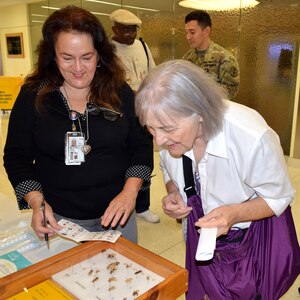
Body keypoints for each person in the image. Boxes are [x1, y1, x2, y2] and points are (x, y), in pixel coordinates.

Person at [135, 59, 300, 299]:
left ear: (200, 113)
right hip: (201, 239)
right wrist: (173, 192)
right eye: (151, 129)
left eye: (168, 129)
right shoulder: (168, 130)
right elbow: (170, 171)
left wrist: (234, 214)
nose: (159, 141)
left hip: (248, 242)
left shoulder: (250, 137)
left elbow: (280, 197)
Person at [3, 5, 153, 244]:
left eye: (87, 57)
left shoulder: (119, 92)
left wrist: (130, 192)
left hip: (119, 216)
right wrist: (36, 202)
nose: (78, 69)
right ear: (52, 55)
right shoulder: (33, 95)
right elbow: (16, 156)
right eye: (67, 58)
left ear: (99, 54)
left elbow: (142, 145)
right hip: (59, 220)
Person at [110, 8, 159, 223]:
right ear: (114, 29)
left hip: (142, 110)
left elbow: (153, 74)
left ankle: (142, 205)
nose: (130, 34)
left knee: (144, 154)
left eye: (133, 30)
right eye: (125, 30)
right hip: (116, 111)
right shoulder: (106, 49)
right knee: (120, 156)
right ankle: (120, 201)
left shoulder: (143, 46)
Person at [183, 10, 240, 100]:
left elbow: (231, 90)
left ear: (206, 31)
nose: (188, 37)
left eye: (192, 32)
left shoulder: (224, 58)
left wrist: (203, 93)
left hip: (214, 110)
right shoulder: (187, 57)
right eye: (187, 32)